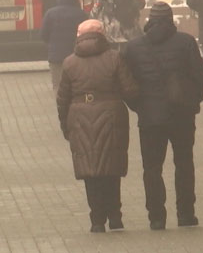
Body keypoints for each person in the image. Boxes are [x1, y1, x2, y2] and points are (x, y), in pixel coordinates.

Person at [123, 2, 203, 231]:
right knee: (183, 163)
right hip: (181, 115)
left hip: (150, 118)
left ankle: (156, 218)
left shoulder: (133, 48)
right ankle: (186, 214)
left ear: (149, 20)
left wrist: (139, 107)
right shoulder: (186, 43)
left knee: (152, 167)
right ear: (171, 20)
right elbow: (201, 76)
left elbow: (126, 85)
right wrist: (192, 103)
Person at [56, 19, 140, 233]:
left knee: (90, 168)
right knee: (111, 166)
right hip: (112, 116)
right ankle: (115, 217)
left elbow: (62, 98)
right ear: (102, 34)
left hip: (79, 117)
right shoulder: (114, 58)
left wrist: (66, 125)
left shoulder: (69, 63)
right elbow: (130, 90)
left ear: (79, 36)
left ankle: (96, 220)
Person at [40, 0, 87, 93]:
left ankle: (61, 108)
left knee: (58, 87)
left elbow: (43, 35)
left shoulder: (50, 14)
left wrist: (52, 44)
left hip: (56, 58)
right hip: (77, 57)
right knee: (77, 86)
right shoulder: (81, 14)